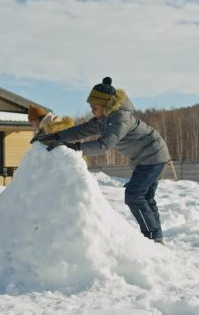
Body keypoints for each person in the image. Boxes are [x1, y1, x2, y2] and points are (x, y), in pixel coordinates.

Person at [33, 77, 171, 245]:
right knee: (146, 197)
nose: (92, 111)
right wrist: (54, 136)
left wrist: (76, 147)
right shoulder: (103, 119)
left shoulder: (120, 119)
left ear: (106, 105)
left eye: (94, 107)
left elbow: (104, 144)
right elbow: (81, 130)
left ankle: (152, 238)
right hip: (146, 156)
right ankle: (156, 238)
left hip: (152, 155)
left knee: (134, 196)